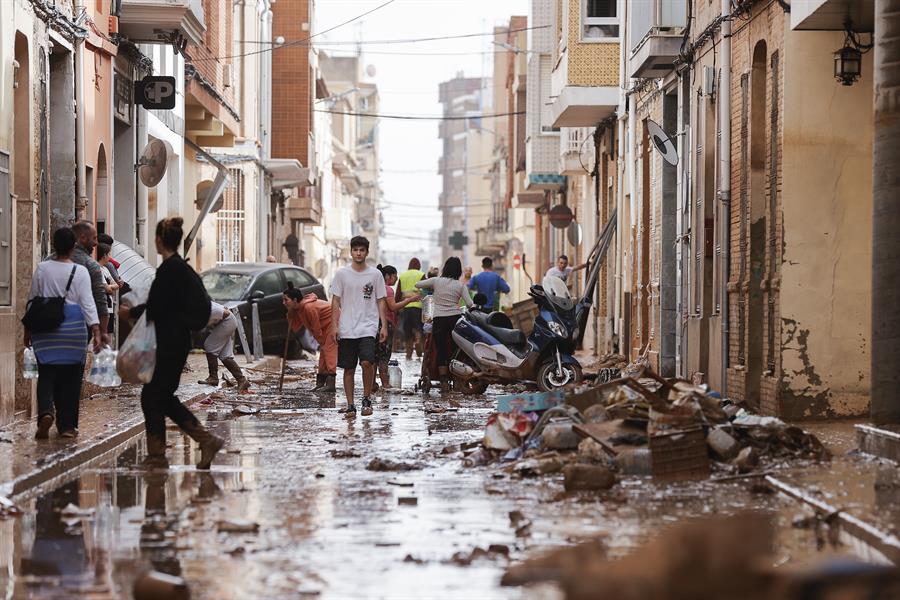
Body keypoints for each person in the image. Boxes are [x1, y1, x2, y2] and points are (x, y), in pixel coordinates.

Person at [119, 217, 223, 470]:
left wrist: (130, 314)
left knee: (155, 395)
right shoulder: (178, 268)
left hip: (169, 343)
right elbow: (166, 305)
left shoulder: (170, 270)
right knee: (158, 396)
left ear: (157, 240)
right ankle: (168, 451)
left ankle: (174, 450)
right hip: (174, 342)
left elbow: (157, 307)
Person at [26, 227, 102, 440]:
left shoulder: (42, 269)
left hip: (45, 329)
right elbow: (88, 303)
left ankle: (46, 412)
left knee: (47, 374)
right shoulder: (81, 271)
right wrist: (96, 330)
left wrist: (27, 330)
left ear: (54, 244)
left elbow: (32, 301)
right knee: (71, 379)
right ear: (73, 247)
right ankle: (67, 426)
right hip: (73, 330)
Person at [329, 236, 387, 417]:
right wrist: (334, 326)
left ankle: (367, 398)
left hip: (368, 326)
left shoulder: (375, 275)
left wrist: (383, 325)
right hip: (347, 328)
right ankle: (351, 405)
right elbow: (335, 301)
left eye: (362, 250)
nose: (359, 253)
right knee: (349, 368)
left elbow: (381, 300)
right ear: (351, 252)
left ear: (367, 252)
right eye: (355, 250)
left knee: (367, 362)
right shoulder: (341, 274)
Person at [415, 257, 473, 393]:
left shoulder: (436, 281)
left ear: (445, 268)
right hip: (455, 319)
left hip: (439, 319)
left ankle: (443, 380)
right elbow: (470, 304)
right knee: (455, 349)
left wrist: (430, 289)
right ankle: (457, 377)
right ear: (459, 271)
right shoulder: (460, 285)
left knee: (440, 349)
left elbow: (418, 284)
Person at [284, 286, 338, 393]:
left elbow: (316, 327)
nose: (284, 302)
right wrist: (290, 314)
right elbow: (295, 327)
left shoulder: (308, 308)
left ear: (295, 300)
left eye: (286, 300)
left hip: (333, 323)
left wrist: (320, 340)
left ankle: (331, 384)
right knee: (323, 354)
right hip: (325, 327)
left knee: (329, 352)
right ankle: (321, 383)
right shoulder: (299, 309)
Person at [375, 265, 420, 389]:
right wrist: (410, 300)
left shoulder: (374, 288)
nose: (396, 279)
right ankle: (385, 383)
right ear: (388, 276)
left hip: (373, 323)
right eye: (394, 276)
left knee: (374, 355)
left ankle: (372, 383)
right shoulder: (388, 289)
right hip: (385, 324)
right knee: (384, 355)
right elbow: (393, 307)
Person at [71, 221, 110, 343]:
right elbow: (100, 299)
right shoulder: (91, 265)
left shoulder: (47, 262)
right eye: (94, 238)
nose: (96, 243)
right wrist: (102, 331)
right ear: (82, 238)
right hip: (79, 326)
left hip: (49, 324)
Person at [198, 302, 250, 392]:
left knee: (209, 345)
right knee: (225, 356)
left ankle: (213, 377)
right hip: (226, 322)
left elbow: (225, 312)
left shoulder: (206, 308)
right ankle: (242, 380)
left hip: (227, 321)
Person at [397, 258, 425, 359]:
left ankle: (408, 352)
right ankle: (418, 341)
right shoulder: (421, 274)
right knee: (418, 328)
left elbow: (398, 293)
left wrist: (396, 306)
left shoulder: (403, 275)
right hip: (418, 307)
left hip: (406, 307)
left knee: (407, 330)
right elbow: (425, 290)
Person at [96, 243, 119, 335]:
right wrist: (110, 287)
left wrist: (109, 287)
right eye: (109, 254)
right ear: (104, 255)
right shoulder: (98, 269)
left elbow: (115, 285)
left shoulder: (105, 269)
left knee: (108, 332)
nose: (110, 257)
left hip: (109, 305)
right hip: (103, 305)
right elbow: (107, 289)